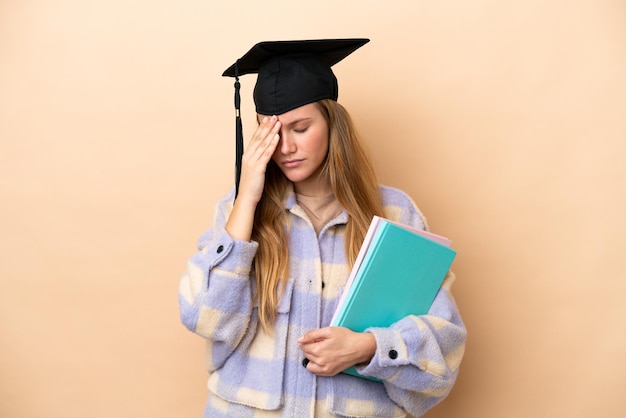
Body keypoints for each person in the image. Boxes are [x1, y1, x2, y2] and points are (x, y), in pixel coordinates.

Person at [179, 38, 466, 418]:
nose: (285, 147)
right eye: (271, 131)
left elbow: (444, 350)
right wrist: (246, 199)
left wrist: (367, 347)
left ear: (333, 124)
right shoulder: (237, 215)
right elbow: (204, 319)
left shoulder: (395, 213)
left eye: (300, 127)